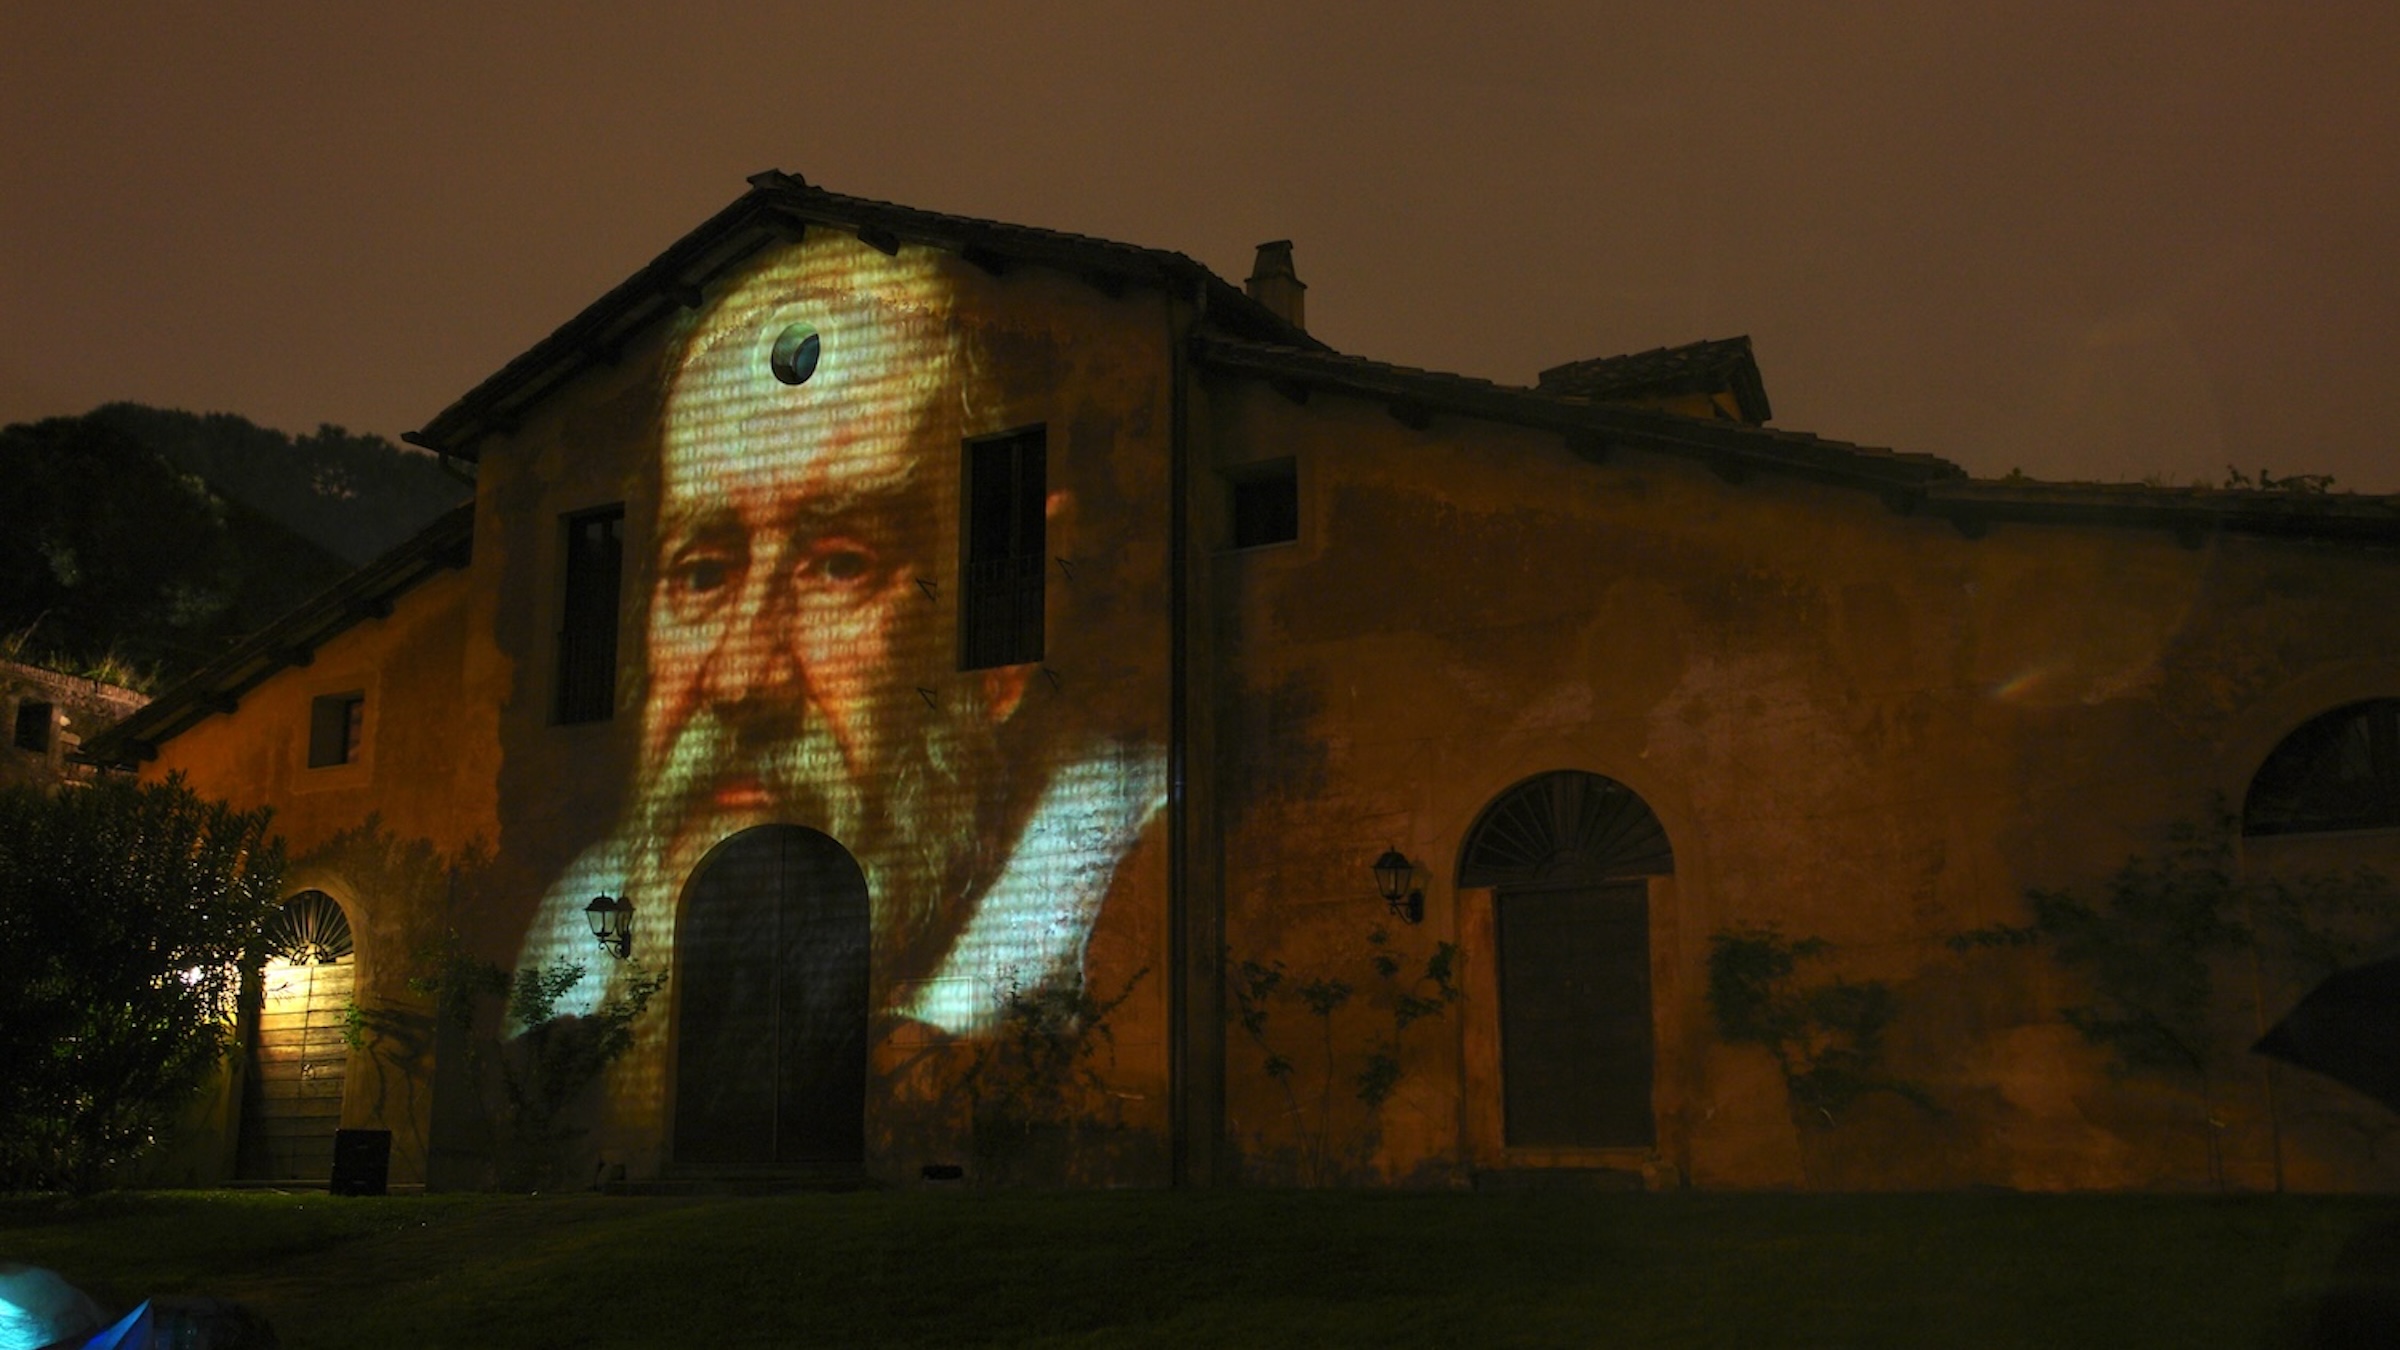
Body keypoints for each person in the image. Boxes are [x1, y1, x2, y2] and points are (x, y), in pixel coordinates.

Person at [516, 238, 1165, 1051]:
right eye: (703, 573)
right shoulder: (587, 913)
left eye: (839, 566)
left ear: (1009, 625)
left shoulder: (1137, 879)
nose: (743, 678)